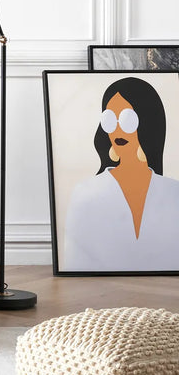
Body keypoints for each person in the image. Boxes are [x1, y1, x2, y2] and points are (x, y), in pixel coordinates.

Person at [63, 76, 179, 272]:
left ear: (147, 123)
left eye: (127, 119)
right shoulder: (85, 193)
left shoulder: (174, 192)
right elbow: (76, 264)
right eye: (109, 119)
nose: (117, 130)